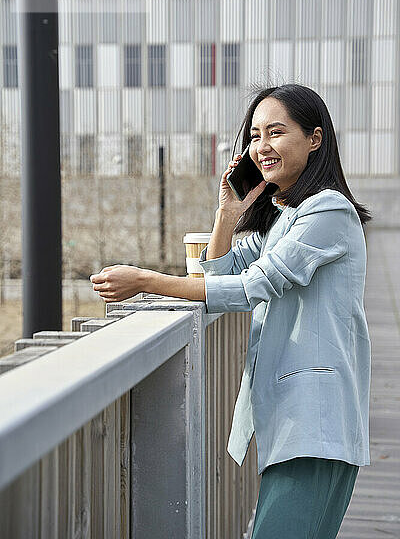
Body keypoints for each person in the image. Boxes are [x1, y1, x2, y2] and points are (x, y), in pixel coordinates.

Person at [90, 83, 373, 538]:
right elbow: (218, 273)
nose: (262, 147)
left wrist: (144, 280)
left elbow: (253, 285)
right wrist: (227, 212)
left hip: (317, 419)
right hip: (298, 421)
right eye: (255, 135)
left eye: (276, 133)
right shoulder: (287, 217)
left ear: (314, 139)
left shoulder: (329, 212)